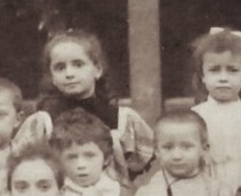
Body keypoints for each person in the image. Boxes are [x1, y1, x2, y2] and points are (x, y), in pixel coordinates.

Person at [12, 29, 155, 185]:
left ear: (97, 70)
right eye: (60, 68)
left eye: (78, 64)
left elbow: (147, 167)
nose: (69, 73)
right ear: (52, 77)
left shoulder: (122, 119)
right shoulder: (43, 122)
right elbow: (20, 168)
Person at [188, 27, 241, 196]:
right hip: (209, 192)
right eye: (214, 70)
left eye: (233, 70)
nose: (223, 78)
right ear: (203, 76)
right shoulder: (194, 117)